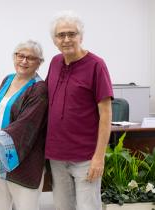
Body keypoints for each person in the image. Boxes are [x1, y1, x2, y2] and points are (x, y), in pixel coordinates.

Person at [45, 11, 113, 210]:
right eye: (61, 35)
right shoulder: (55, 62)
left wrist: (99, 157)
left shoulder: (96, 65)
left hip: (85, 157)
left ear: (80, 36)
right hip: (57, 155)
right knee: (63, 207)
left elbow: (106, 114)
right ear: (54, 40)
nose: (66, 39)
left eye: (71, 34)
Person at [0, 40, 48, 210]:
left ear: (39, 62)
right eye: (20, 55)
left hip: (23, 163)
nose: (24, 61)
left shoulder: (39, 89)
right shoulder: (8, 79)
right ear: (14, 57)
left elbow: (26, 124)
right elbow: (2, 110)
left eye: (31, 58)